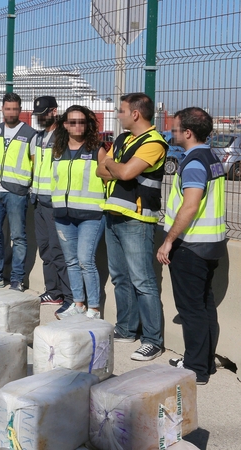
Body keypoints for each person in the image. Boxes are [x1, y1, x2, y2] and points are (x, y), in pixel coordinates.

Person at [96, 92, 167, 361]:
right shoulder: (124, 138)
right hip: (113, 214)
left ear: (135, 114)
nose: (118, 114)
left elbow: (123, 172)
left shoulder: (154, 142)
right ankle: (126, 328)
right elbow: (100, 171)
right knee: (120, 277)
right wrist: (114, 165)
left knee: (143, 281)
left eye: (122, 110)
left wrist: (112, 164)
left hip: (138, 220)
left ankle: (152, 340)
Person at [158, 107, 225, 385]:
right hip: (211, 244)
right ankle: (204, 362)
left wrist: (169, 240)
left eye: (174, 129)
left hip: (191, 245)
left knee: (191, 309)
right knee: (205, 305)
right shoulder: (212, 157)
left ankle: (196, 369)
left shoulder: (195, 162)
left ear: (187, 132)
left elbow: (190, 206)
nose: (171, 133)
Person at [48, 105, 107, 320]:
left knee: (85, 260)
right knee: (71, 261)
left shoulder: (97, 149)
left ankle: (94, 309)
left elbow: (107, 177)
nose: (77, 126)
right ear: (65, 124)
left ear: (87, 124)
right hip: (63, 215)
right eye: (72, 122)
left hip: (91, 215)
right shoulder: (58, 150)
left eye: (81, 121)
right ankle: (78, 303)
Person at [0, 92, 36, 291]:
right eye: (8, 109)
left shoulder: (30, 134)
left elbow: (34, 162)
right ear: (2, 109)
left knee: (18, 237)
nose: (11, 112)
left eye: (15, 109)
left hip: (16, 192)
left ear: (20, 110)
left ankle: (17, 279)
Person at [31, 96, 73, 309]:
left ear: (54, 112)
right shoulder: (39, 137)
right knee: (45, 249)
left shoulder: (63, 137)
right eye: (38, 115)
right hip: (38, 199)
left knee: (58, 251)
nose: (40, 118)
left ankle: (69, 297)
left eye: (44, 113)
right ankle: (53, 291)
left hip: (54, 202)